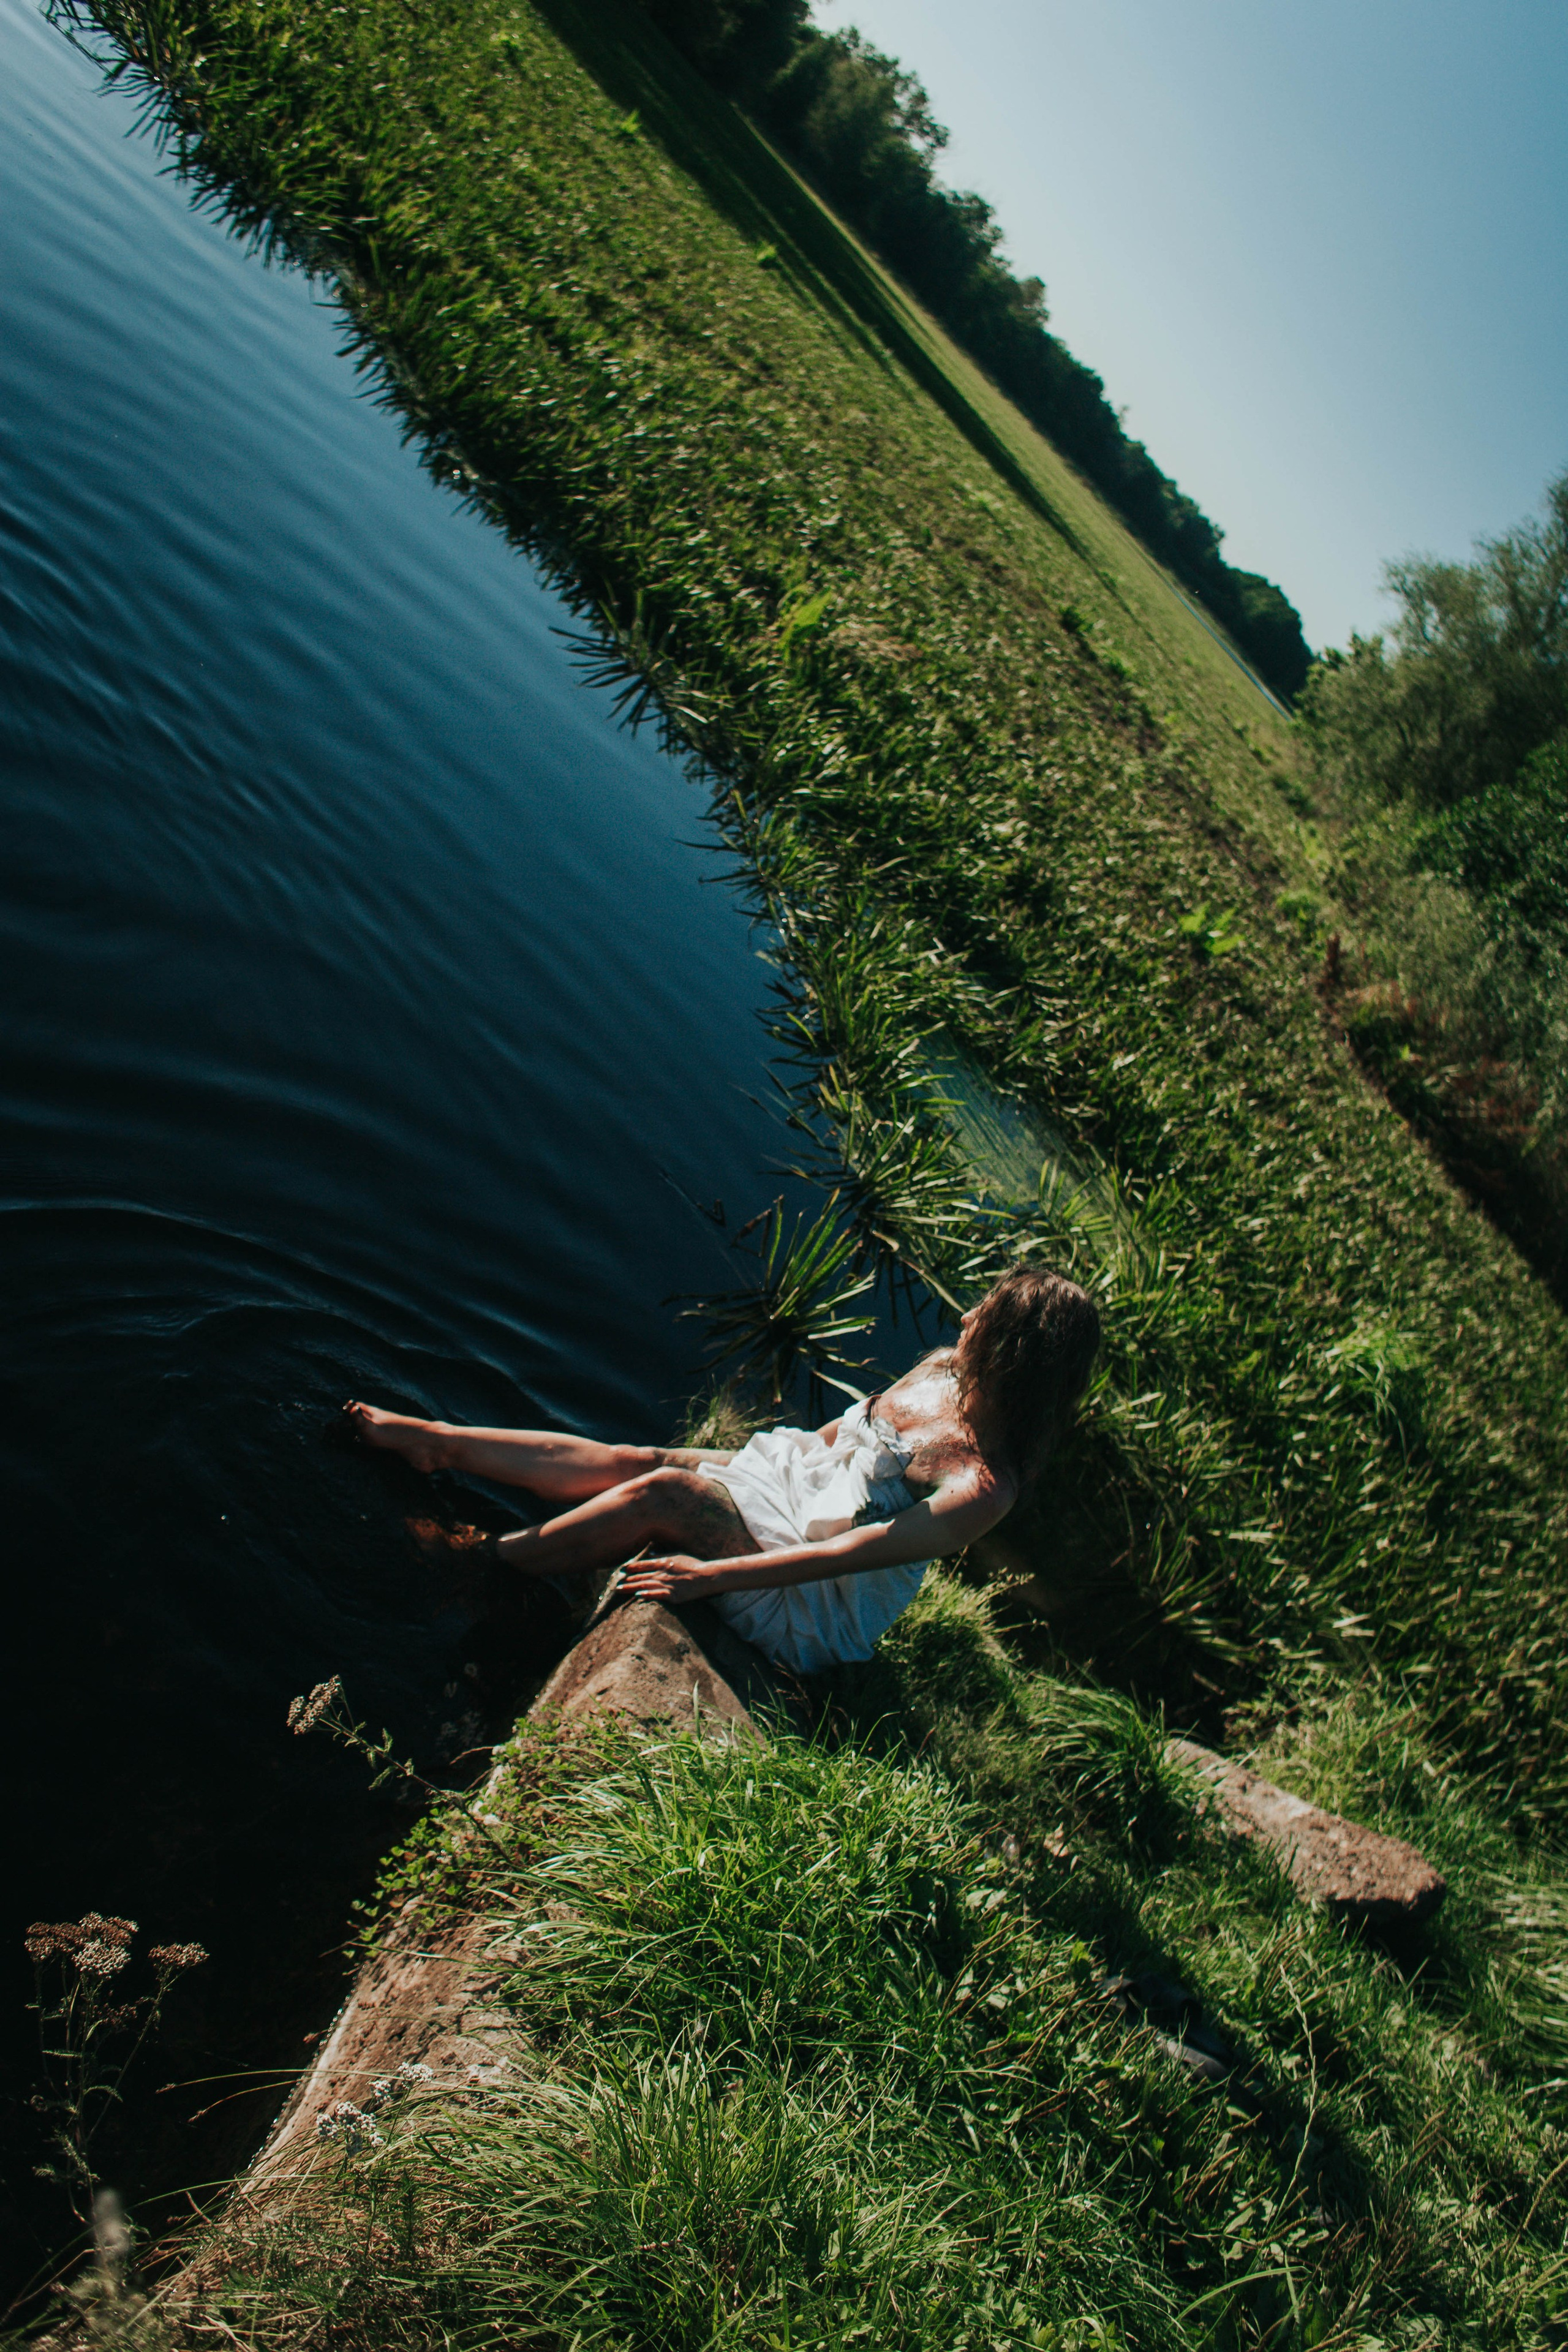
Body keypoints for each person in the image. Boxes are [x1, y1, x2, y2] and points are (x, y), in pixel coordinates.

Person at [345, 1264, 1099, 1676]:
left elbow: (850, 1554)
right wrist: (756, 1461)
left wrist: (709, 1578)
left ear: (1014, 1354)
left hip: (813, 1588)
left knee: (670, 1494)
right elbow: (839, 1434)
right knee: (646, 1458)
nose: (966, 1320)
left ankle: (484, 1562)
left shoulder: (983, 1487)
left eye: (987, 1318)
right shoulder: (943, 1370)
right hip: (800, 1483)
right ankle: (438, 1442)